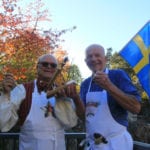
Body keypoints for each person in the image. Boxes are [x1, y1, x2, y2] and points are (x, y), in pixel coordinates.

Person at [0, 54, 85, 150]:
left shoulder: (62, 91)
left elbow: (71, 123)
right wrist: (6, 95)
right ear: (37, 67)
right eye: (45, 64)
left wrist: (63, 101)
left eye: (53, 65)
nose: (49, 67)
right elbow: (3, 123)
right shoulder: (22, 90)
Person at [80, 44, 141, 150]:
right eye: (90, 56)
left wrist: (109, 86)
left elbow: (136, 107)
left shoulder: (117, 75)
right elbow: (83, 116)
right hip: (93, 144)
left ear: (106, 59)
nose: (93, 59)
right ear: (86, 61)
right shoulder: (85, 84)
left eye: (97, 55)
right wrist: (74, 98)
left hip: (116, 144)